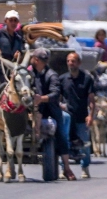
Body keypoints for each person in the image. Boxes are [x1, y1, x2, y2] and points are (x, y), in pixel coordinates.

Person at [30, 48, 76, 181]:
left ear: (36, 60)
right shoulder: (29, 72)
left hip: (50, 109)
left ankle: (66, 167)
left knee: (61, 134)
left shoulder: (52, 75)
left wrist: (41, 99)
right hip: (31, 109)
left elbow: (55, 94)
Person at [59, 52, 95, 178]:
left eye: (73, 61)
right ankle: (63, 168)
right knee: (64, 143)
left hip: (82, 117)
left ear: (79, 63)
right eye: (68, 61)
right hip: (67, 118)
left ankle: (85, 168)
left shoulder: (87, 78)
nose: (70, 63)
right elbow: (58, 97)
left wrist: (91, 115)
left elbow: (91, 99)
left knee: (84, 144)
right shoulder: (62, 79)